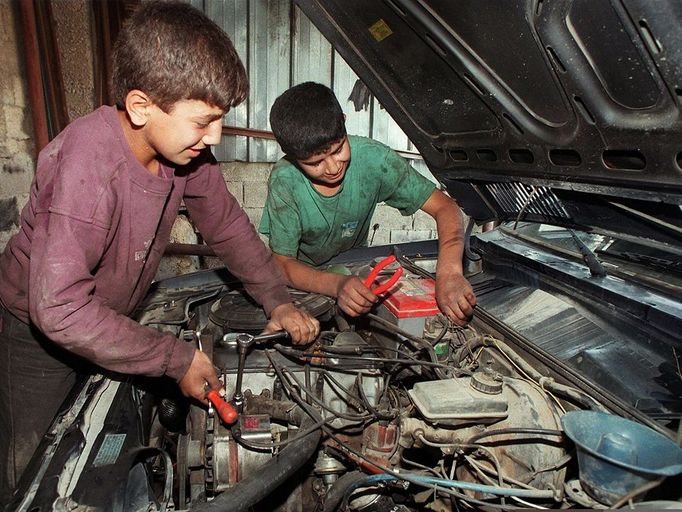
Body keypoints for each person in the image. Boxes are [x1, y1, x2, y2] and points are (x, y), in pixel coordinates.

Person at [0, 2, 319, 505]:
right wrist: (174, 357)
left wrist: (276, 300)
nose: (213, 137)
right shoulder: (88, 169)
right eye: (203, 121)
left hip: (110, 321)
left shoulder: (182, 156)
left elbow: (228, 227)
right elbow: (59, 308)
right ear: (142, 106)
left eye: (219, 121)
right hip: (40, 342)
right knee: (38, 482)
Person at [259, 82, 477, 324]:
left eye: (338, 149)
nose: (332, 168)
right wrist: (337, 284)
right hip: (304, 279)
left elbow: (445, 207)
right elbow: (282, 263)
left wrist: (449, 273)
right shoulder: (284, 180)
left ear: (343, 121)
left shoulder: (376, 160)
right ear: (291, 155)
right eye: (315, 162)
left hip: (355, 266)